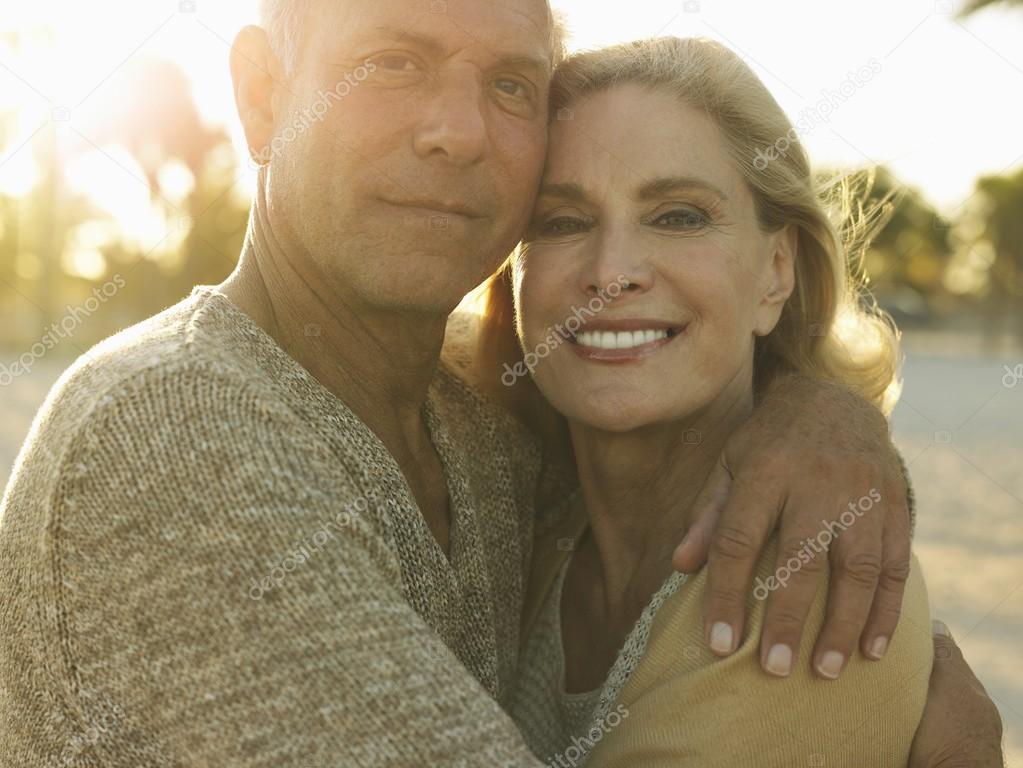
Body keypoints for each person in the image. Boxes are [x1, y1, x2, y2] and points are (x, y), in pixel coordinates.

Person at [0, 1, 1002, 765]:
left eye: (514, 85)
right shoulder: (175, 438)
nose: (460, 132)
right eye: (392, 62)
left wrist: (814, 409)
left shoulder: (486, 432)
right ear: (264, 94)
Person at [477, 36, 1003, 767]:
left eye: (679, 216)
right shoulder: (516, 523)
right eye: (561, 222)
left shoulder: (809, 576)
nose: (610, 271)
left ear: (776, 272)